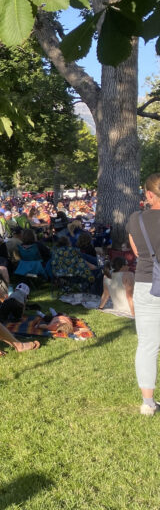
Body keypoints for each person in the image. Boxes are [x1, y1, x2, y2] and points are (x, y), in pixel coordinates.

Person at [127, 173, 160, 415]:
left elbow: (138, 252)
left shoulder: (135, 219)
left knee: (148, 345)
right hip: (149, 284)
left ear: (149, 194)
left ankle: (147, 402)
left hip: (146, 283)